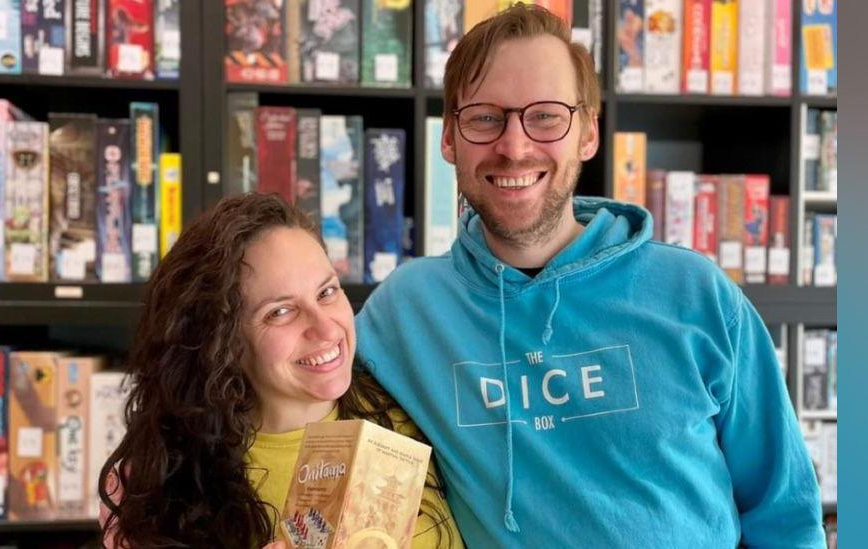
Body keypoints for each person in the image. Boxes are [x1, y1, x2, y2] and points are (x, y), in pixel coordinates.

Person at [355, 4, 825, 547]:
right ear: (449, 138)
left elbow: (785, 513)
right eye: (485, 116)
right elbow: (293, 412)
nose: (514, 145)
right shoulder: (405, 314)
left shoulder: (697, 295)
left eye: (547, 115)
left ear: (587, 135)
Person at [98, 193, 463, 548]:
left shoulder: (411, 410)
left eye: (326, 292)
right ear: (223, 341)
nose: (326, 328)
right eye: (280, 312)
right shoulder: (163, 489)